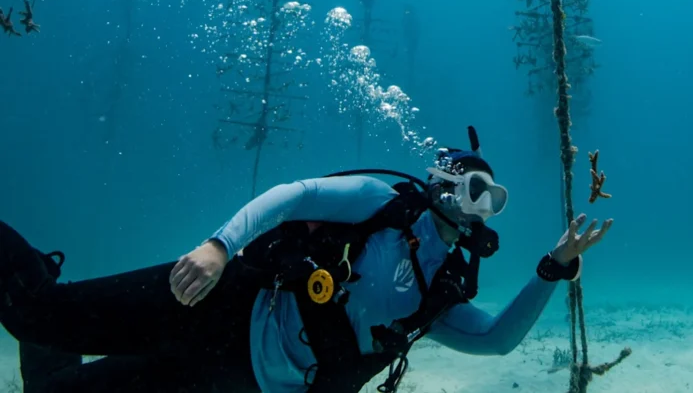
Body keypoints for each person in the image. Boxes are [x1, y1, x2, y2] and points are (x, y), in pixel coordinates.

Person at [0, 127, 612, 393]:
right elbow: (296, 195)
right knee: (31, 316)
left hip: (234, 381)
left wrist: (551, 269)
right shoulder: (384, 206)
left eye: (495, 202)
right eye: (477, 192)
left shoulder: (443, 289)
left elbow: (497, 341)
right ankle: (33, 275)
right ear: (442, 185)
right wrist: (219, 246)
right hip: (213, 304)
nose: (483, 210)